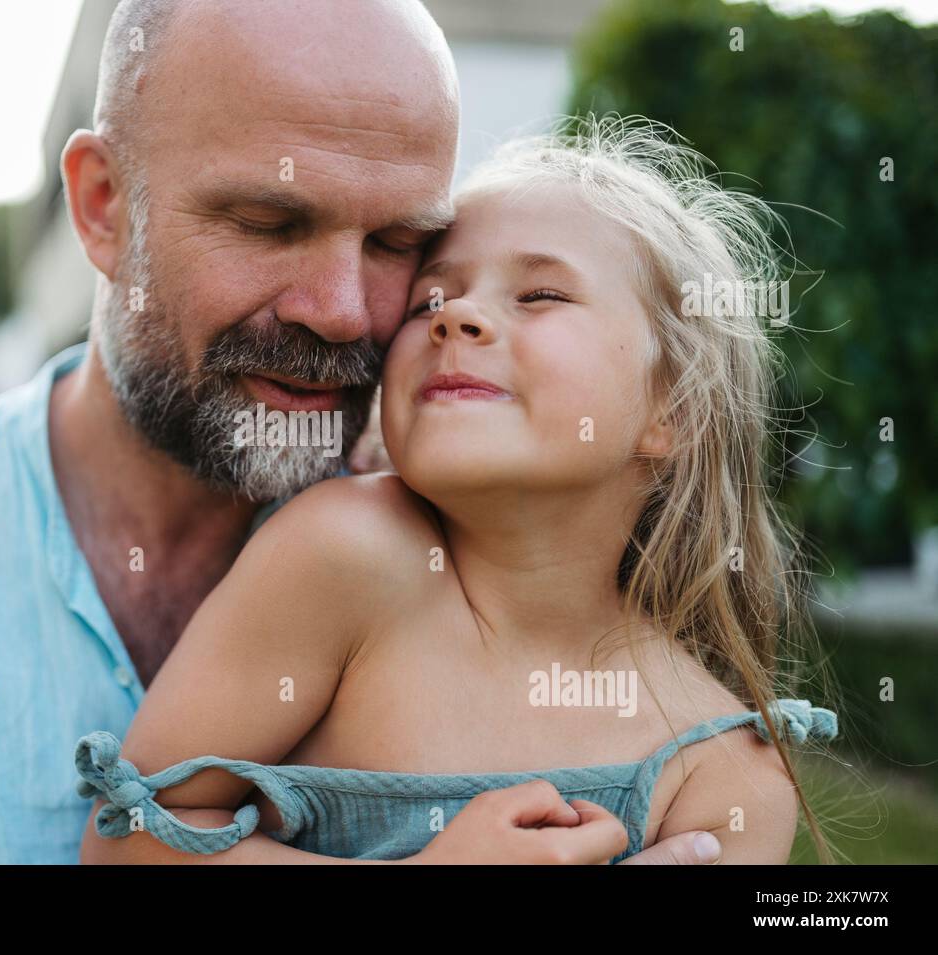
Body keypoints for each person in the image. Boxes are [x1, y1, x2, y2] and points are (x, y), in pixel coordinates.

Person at [0, 0, 719, 864]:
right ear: (105, 209)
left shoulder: (506, 533)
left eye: (396, 242)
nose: (339, 310)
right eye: (268, 224)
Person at [75, 117, 838, 864]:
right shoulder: (341, 554)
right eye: (428, 303)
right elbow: (130, 838)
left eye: (539, 294)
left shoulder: (722, 768)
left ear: (674, 408)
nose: (458, 318)